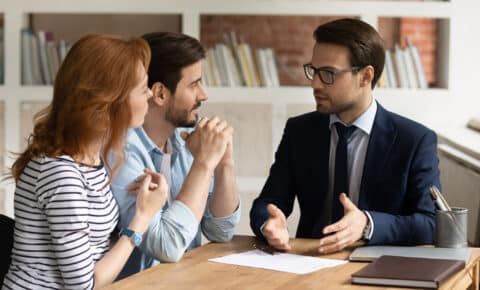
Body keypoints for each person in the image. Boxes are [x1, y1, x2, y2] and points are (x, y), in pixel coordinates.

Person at [250, 18, 440, 254]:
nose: (315, 84)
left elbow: (430, 224)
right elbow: (267, 203)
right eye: (314, 71)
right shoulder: (299, 131)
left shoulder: (414, 140)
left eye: (329, 73)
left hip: (378, 269)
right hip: (307, 263)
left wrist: (368, 224)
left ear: (366, 77)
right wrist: (268, 223)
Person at [2, 34, 168, 289]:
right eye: (143, 88)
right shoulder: (61, 173)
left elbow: (95, 250)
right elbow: (84, 285)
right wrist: (142, 218)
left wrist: (139, 206)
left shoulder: (91, 160)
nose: (149, 95)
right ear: (109, 102)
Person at [111, 32, 240, 278]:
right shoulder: (122, 153)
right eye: (194, 84)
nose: (204, 95)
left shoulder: (186, 139)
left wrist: (224, 164)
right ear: (159, 93)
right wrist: (203, 164)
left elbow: (221, 231)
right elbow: (166, 246)